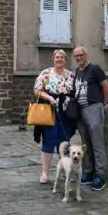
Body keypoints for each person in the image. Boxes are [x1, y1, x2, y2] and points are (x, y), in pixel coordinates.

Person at [33, 49, 76, 184]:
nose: (59, 59)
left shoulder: (71, 75)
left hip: (66, 112)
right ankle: (45, 173)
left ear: (65, 59)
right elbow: (36, 90)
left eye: (62, 57)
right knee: (49, 139)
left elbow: (75, 92)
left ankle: (65, 171)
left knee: (64, 142)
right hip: (49, 110)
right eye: (57, 57)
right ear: (53, 59)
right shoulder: (46, 73)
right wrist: (49, 97)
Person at [73, 45, 108, 191]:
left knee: (97, 143)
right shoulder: (77, 71)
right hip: (81, 111)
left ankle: (100, 175)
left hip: (93, 108)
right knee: (85, 143)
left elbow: (106, 86)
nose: (79, 58)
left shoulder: (95, 69)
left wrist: (103, 104)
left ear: (86, 55)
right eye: (76, 56)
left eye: (81, 55)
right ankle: (88, 171)